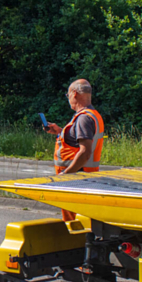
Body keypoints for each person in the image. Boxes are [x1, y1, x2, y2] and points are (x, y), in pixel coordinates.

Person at [44, 79, 104, 219]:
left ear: (75, 94)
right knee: (81, 220)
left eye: (68, 95)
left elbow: (85, 152)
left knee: (74, 221)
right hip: (83, 177)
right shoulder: (92, 115)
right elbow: (77, 143)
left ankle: (79, 240)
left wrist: (66, 174)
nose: (68, 98)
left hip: (76, 179)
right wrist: (59, 131)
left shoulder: (83, 118)